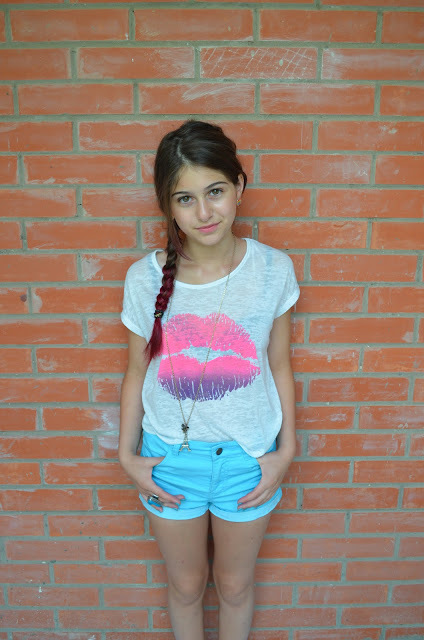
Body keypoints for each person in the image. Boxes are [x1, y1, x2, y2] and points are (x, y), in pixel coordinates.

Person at [118, 120, 299, 640]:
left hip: (248, 461)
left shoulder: (273, 270)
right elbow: (136, 371)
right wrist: (127, 456)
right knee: (186, 586)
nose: (204, 212)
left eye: (215, 191)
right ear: (168, 206)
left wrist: (286, 450)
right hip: (170, 463)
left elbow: (279, 364)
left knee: (236, 586)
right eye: (185, 198)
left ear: (238, 187)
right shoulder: (144, 279)